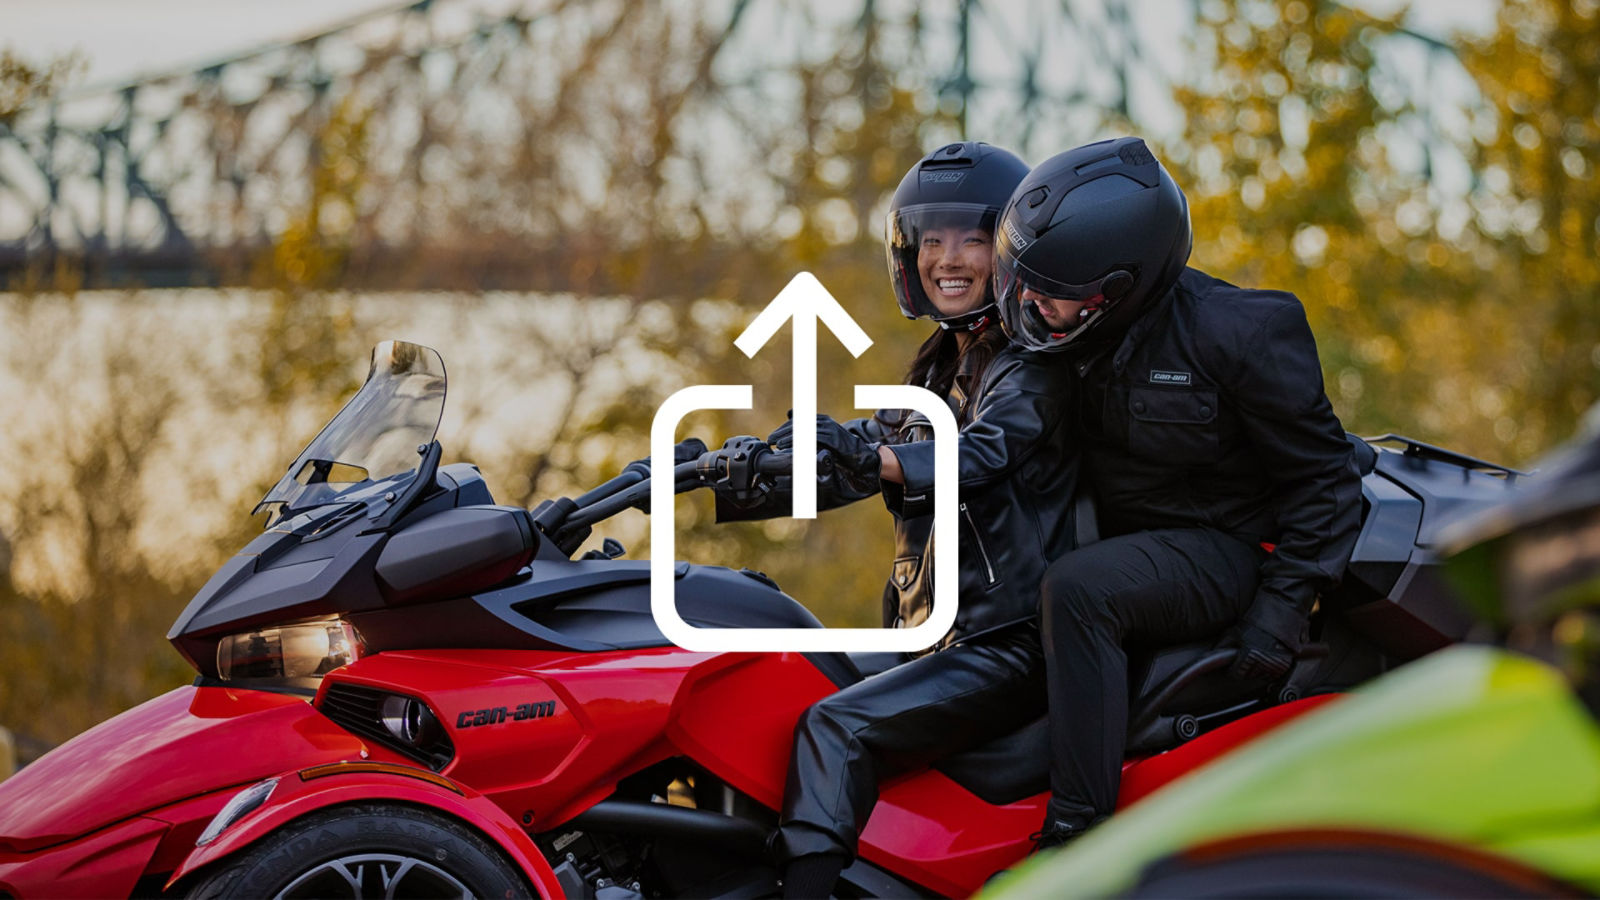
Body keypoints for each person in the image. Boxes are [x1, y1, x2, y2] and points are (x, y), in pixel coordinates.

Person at [726, 141, 1080, 898]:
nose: (947, 258)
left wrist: (874, 461)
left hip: (1004, 645)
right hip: (932, 637)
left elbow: (983, 451)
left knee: (835, 727)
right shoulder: (938, 364)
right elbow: (867, 449)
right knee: (771, 677)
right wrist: (739, 472)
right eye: (931, 238)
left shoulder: (1031, 364)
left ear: (1009, 249)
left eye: (973, 238)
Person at [990, 136, 1364, 847]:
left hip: (1227, 546)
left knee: (1080, 591)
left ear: (1117, 288)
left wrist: (1279, 617)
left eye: (1051, 289)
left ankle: (1075, 836)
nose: (1029, 300)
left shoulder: (1240, 333)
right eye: (1023, 278)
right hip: (1133, 537)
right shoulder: (1062, 338)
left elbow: (1324, 480)